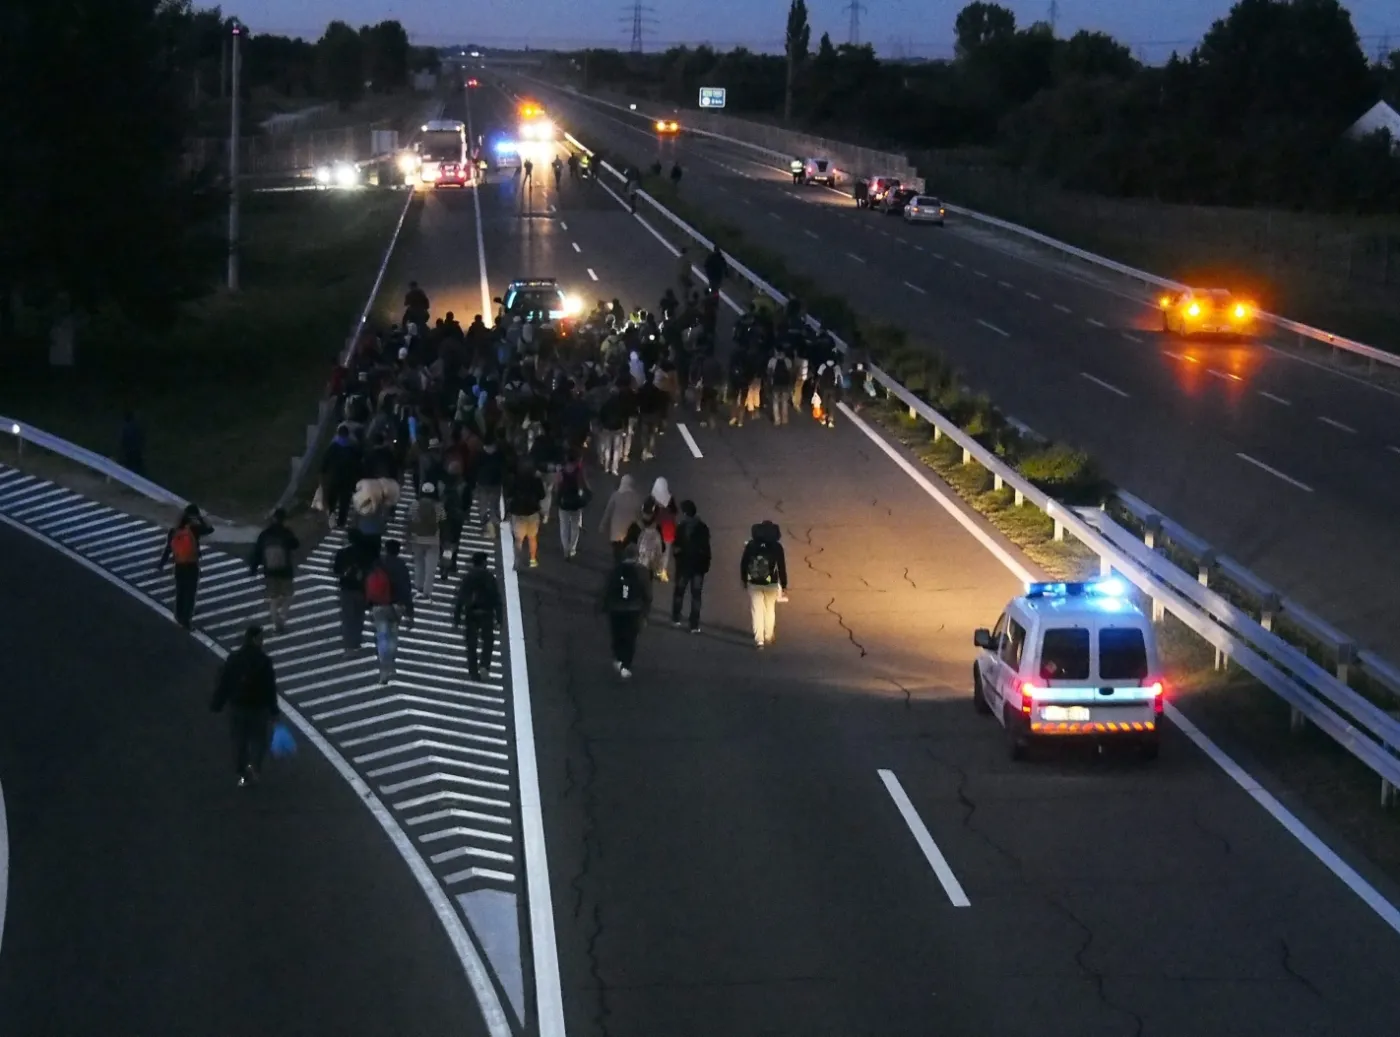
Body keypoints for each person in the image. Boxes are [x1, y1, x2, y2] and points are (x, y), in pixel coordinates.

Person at [210, 625, 279, 787]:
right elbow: (270, 688)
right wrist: (274, 710)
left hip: (237, 706)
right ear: (256, 639)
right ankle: (255, 766)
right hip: (258, 708)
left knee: (239, 740)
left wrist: (217, 703)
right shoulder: (264, 661)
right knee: (258, 740)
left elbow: (224, 682)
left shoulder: (234, 659)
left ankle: (241, 771)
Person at [158, 504, 214, 631]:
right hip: (192, 565)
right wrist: (201, 518)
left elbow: (168, 549)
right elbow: (210, 529)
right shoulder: (194, 529)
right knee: (190, 593)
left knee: (181, 591)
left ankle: (178, 616)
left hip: (179, 565)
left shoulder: (174, 531)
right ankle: (186, 620)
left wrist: (161, 564)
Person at [601, 542, 652, 679]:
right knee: (630, 638)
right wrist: (645, 613)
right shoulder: (642, 571)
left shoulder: (616, 569)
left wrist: (604, 605)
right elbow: (647, 594)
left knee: (617, 634)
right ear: (637, 556)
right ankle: (626, 664)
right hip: (633, 609)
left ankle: (617, 657)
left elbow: (607, 588)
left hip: (616, 608)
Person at [367, 539, 413, 683]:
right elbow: (406, 589)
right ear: (398, 551)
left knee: (382, 636)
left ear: (386, 549)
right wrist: (410, 612)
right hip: (396, 606)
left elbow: (370, 583)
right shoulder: (401, 566)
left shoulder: (377, 563)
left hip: (378, 605)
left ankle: (384, 666)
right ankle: (390, 665)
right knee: (393, 635)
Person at [453, 552, 503, 682]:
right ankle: (485, 666)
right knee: (488, 641)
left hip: (471, 613)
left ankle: (473, 671)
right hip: (487, 613)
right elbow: (497, 598)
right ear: (484, 562)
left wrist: (457, 617)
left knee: (471, 644)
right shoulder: (489, 577)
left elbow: (461, 597)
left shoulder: (468, 577)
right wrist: (499, 618)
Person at [249, 507, 300, 633]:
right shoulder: (286, 532)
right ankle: (282, 617)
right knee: (288, 595)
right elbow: (295, 544)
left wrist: (253, 568)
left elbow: (257, 553)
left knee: (273, 598)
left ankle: (275, 623)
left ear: (273, 519)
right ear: (284, 520)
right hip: (285, 570)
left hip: (270, 571)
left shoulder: (265, 534)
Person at [740, 520, 788, 649]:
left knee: (757, 610)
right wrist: (783, 585)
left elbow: (744, 564)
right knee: (769, 609)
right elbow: (781, 567)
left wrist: (744, 580)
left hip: (754, 582)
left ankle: (759, 640)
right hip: (771, 582)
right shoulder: (777, 547)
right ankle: (768, 634)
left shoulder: (751, 545)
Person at [333, 528, 376, 656]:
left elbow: (336, 570)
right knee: (359, 616)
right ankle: (357, 642)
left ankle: (348, 646)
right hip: (362, 589)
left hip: (346, 589)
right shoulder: (367, 554)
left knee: (347, 618)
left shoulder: (342, 553)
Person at [670, 499, 710, 632]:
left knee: (679, 592)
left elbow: (676, 547)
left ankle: (676, 618)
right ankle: (694, 625)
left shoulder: (682, 527)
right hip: (698, 567)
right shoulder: (703, 527)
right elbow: (706, 549)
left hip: (683, 565)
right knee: (696, 595)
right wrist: (705, 565)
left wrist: (678, 557)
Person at [507, 459, 547, 569]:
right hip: (532, 512)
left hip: (518, 512)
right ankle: (533, 559)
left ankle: (517, 561)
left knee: (518, 540)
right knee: (532, 537)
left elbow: (509, 494)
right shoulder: (536, 480)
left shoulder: (515, 480)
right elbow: (542, 495)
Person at [555, 448, 591, 559]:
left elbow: (557, 487)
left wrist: (558, 497)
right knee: (575, 526)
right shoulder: (578, 471)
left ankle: (566, 548)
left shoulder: (561, 471)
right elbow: (584, 485)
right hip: (576, 502)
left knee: (564, 526)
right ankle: (572, 548)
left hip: (564, 502)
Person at [409, 482, 443, 601]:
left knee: (418, 565)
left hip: (417, 539)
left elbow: (409, 521)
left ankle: (418, 588)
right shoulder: (439, 506)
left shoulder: (414, 505)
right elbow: (443, 523)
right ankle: (427, 593)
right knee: (430, 568)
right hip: (433, 540)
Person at [600, 474, 643, 562]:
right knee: (628, 554)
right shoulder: (636, 497)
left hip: (616, 533)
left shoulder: (615, 495)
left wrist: (603, 525)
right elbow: (640, 515)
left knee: (617, 554)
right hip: (630, 533)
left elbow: (608, 511)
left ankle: (618, 570)